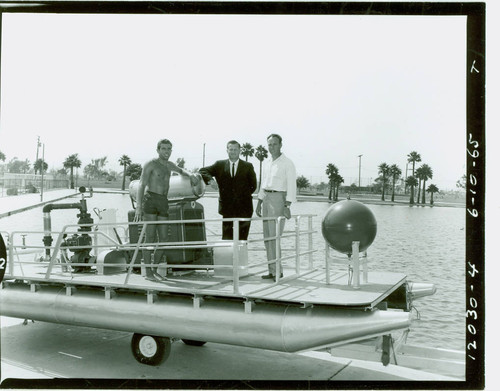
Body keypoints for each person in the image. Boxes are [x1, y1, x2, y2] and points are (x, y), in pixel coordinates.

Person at [134, 139, 199, 282]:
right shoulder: (151, 164)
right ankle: (148, 272)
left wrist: (191, 175)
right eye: (163, 148)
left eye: (169, 149)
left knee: (164, 238)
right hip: (150, 200)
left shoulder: (169, 165)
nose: (166, 151)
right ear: (158, 150)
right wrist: (138, 206)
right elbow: (141, 184)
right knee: (150, 237)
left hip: (163, 201)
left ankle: (155, 268)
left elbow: (182, 170)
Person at [256, 134, 296, 281]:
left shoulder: (287, 163)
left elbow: (292, 185)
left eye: (274, 144)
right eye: (269, 144)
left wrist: (287, 205)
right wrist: (259, 202)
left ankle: (278, 271)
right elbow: (263, 183)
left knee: (275, 237)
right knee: (267, 238)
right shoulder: (267, 162)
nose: (271, 147)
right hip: (266, 198)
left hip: (278, 198)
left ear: (280, 145)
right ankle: (272, 270)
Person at [199, 140, 257, 240]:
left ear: (239, 151)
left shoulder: (248, 166)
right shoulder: (219, 165)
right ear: (227, 150)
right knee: (226, 239)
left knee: (242, 240)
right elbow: (203, 171)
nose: (233, 151)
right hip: (227, 209)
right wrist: (211, 180)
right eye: (231, 149)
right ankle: (228, 256)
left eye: (235, 149)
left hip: (244, 209)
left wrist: (241, 196)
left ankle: (240, 255)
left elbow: (253, 186)